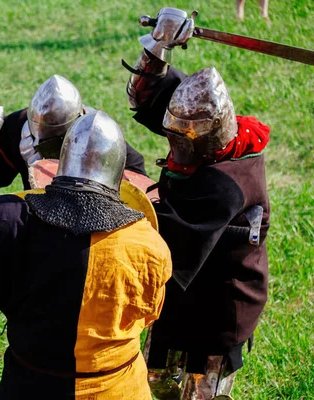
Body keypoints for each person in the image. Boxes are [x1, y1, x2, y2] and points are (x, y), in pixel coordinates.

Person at [0, 110, 172, 399]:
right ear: (117, 172)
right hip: (117, 387)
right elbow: (149, 313)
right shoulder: (149, 244)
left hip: (31, 384)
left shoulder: (8, 220)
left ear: (61, 163)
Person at [125, 7, 270, 399]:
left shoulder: (226, 185)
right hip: (182, 295)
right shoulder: (199, 127)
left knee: (201, 394)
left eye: (185, 141)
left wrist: (116, 208)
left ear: (211, 139)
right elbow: (146, 94)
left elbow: (168, 240)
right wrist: (159, 45)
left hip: (220, 305)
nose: (177, 146)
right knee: (157, 385)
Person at [0, 74, 148, 190]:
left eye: (49, 142)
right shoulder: (16, 127)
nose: (37, 144)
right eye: (34, 137)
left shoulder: (103, 139)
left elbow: (136, 185)